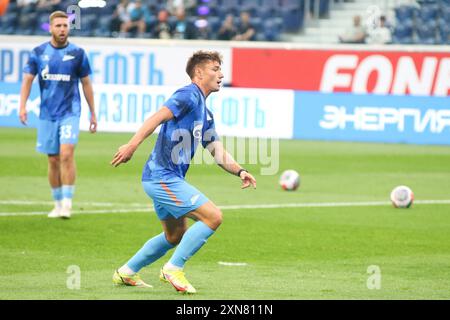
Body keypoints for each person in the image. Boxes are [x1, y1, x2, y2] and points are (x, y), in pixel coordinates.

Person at [110, 50, 257, 294]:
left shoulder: (205, 113)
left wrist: (241, 171)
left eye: (221, 69)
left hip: (165, 178)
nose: (221, 74)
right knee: (213, 217)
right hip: (162, 177)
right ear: (199, 73)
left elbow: (217, 151)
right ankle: (173, 268)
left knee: (174, 235)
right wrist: (132, 145)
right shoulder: (188, 95)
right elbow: (157, 117)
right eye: (215, 69)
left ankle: (125, 272)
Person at [19, 11, 97, 219]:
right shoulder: (38, 52)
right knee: (53, 160)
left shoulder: (78, 53)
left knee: (66, 154)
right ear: (51, 28)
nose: (63, 29)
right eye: (59, 26)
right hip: (46, 113)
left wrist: (93, 113)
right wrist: (22, 106)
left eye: (65, 25)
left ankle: (67, 203)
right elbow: (27, 81)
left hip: (70, 111)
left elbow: (86, 84)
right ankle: (56, 203)